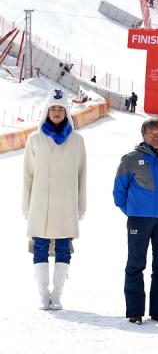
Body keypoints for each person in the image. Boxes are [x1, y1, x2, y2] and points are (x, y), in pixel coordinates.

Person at [113, 118, 158, 324]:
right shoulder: (131, 159)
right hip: (138, 219)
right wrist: (133, 211)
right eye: (151, 133)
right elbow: (119, 190)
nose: (155, 136)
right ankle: (135, 311)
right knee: (136, 264)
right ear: (143, 135)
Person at [22, 90, 87, 310]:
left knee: (63, 247)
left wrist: (81, 205)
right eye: (53, 109)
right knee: (39, 247)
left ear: (67, 112)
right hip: (40, 204)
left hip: (66, 204)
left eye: (61, 109)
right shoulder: (34, 139)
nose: (57, 113)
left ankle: (57, 295)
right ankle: (43, 295)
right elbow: (27, 175)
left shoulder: (77, 141)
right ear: (46, 112)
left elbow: (82, 175)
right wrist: (26, 204)